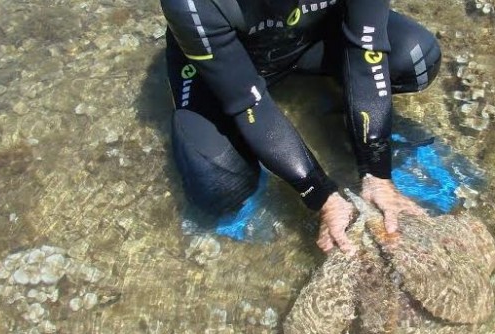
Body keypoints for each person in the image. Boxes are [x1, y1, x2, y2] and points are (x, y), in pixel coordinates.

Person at [160, 0, 442, 255]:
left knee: (417, 58)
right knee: (218, 186)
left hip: (308, 42)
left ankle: (340, 116)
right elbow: (249, 104)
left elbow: (367, 52)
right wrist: (323, 197)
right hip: (230, 69)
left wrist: (377, 174)